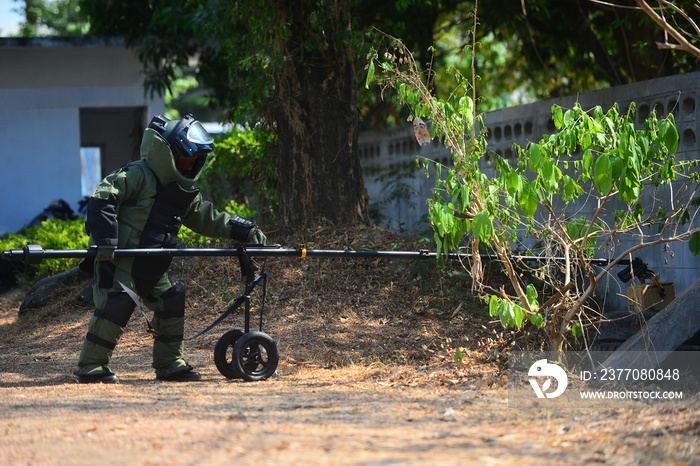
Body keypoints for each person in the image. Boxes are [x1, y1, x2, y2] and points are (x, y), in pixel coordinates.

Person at [74, 114, 266, 383]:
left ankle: (170, 364)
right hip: (119, 261)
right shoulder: (138, 174)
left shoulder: (183, 190)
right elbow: (103, 198)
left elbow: (207, 217)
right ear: (173, 152)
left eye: (197, 159)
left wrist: (244, 230)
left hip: (152, 262)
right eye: (190, 157)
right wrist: (105, 242)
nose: (193, 163)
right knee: (118, 302)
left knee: (170, 300)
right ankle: (91, 366)